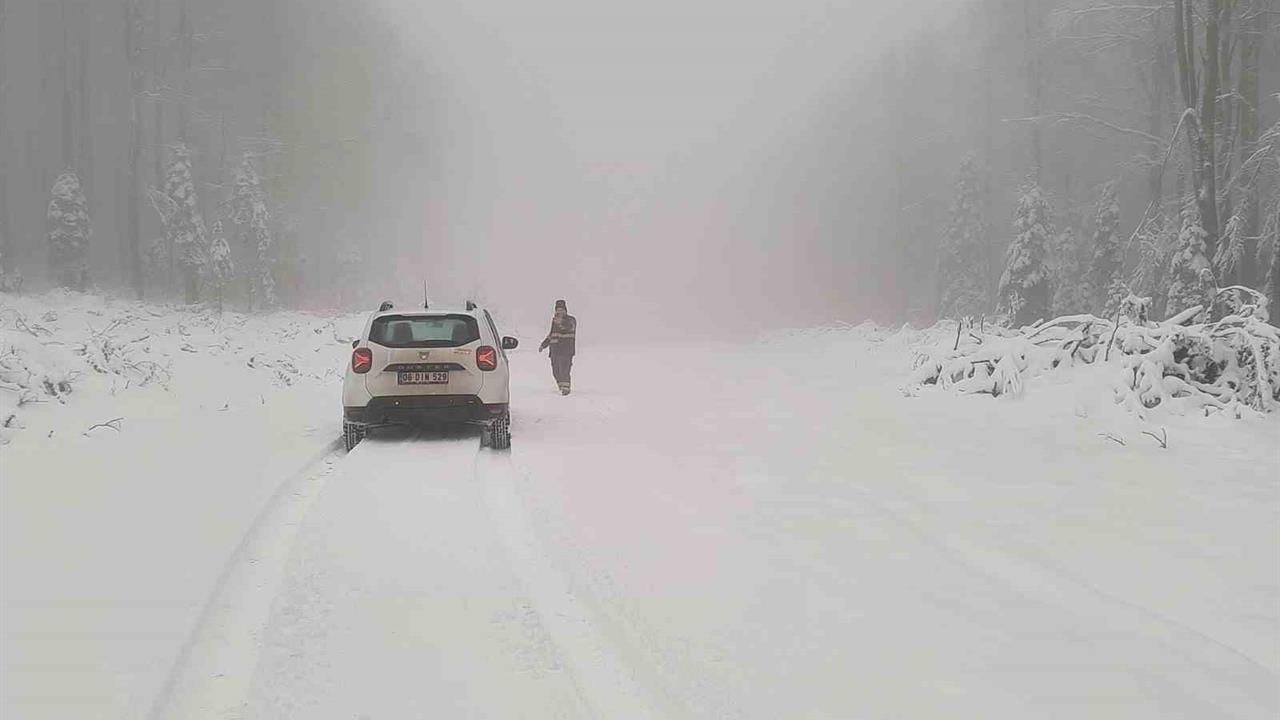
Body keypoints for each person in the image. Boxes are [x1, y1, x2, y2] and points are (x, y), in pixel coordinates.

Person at [538, 299, 577, 395]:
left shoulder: (571, 320)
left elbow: (570, 327)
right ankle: (561, 386)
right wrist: (543, 345)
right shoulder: (554, 321)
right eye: (557, 310)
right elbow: (552, 334)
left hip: (566, 350)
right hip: (555, 351)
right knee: (555, 370)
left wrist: (561, 322)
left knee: (564, 369)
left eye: (561, 309)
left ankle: (566, 388)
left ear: (565, 310)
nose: (559, 311)